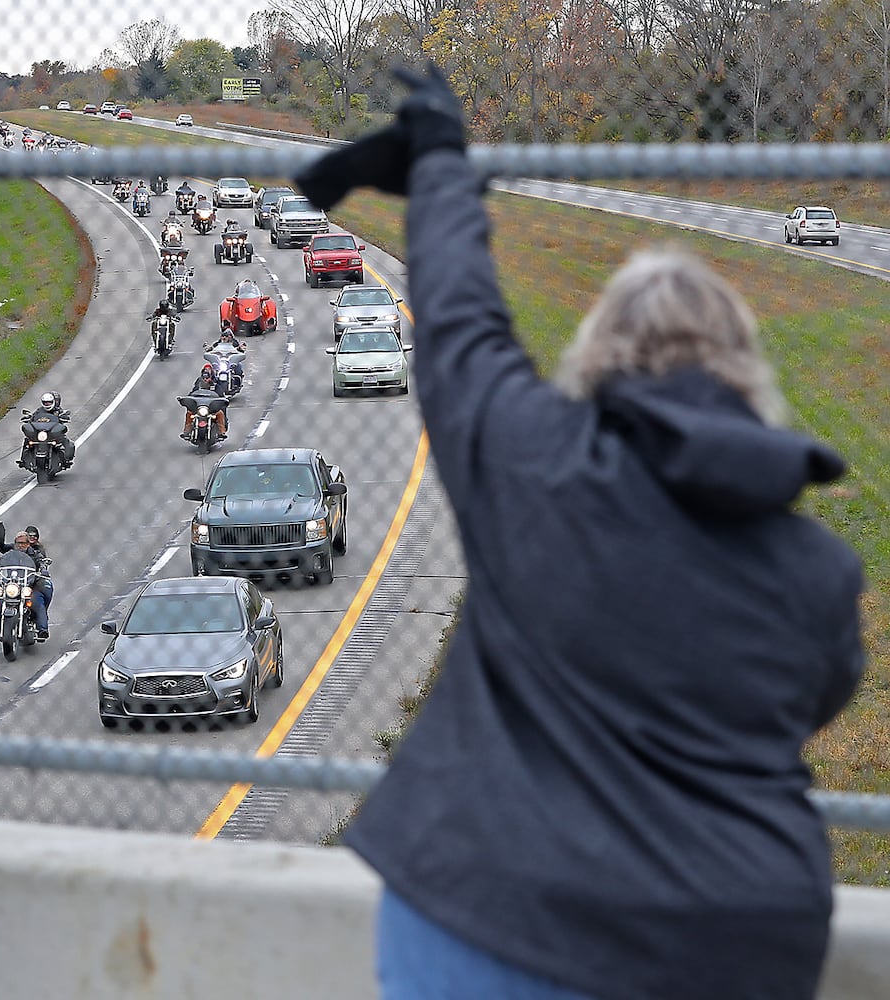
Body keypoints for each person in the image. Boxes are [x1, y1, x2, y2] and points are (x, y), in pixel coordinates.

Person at [295, 64, 864, 1000]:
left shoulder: (534, 466)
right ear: (747, 380)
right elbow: (809, 697)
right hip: (739, 941)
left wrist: (440, 164)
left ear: (596, 361)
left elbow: (459, 318)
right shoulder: (820, 576)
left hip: (492, 914)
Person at [0, 530, 49, 642]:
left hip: (29, 585)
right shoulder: (10, 554)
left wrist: (43, 570)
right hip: (12, 585)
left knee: (37, 602)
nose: (20, 545)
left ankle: (42, 629)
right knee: (1, 602)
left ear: (28, 544)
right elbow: (0, 563)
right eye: (18, 543)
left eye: (23, 543)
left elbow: (41, 563)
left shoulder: (34, 554)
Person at [0, 520, 55, 613]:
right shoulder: (14, 548)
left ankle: (42, 625)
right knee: (0, 592)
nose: (32, 538)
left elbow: (42, 564)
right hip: (13, 580)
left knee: (42, 596)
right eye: (30, 536)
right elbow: (2, 551)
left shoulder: (38, 552)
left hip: (30, 582)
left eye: (34, 536)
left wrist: (42, 571)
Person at [182, 366, 229, 438]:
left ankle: (221, 432)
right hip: (199, 408)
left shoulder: (216, 386)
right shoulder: (198, 386)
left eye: (207, 378)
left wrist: (222, 400)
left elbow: (221, 396)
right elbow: (191, 394)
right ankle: (187, 431)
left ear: (211, 377)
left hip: (211, 409)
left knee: (220, 413)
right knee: (189, 413)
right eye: (203, 378)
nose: (205, 380)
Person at [32, 391, 75, 467]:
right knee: (28, 440)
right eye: (45, 403)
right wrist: (29, 418)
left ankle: (66, 459)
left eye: (49, 402)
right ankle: (24, 458)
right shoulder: (39, 410)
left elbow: (65, 415)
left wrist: (65, 417)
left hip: (53, 432)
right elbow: (33, 416)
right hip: (41, 431)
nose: (47, 404)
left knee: (64, 440)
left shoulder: (58, 410)